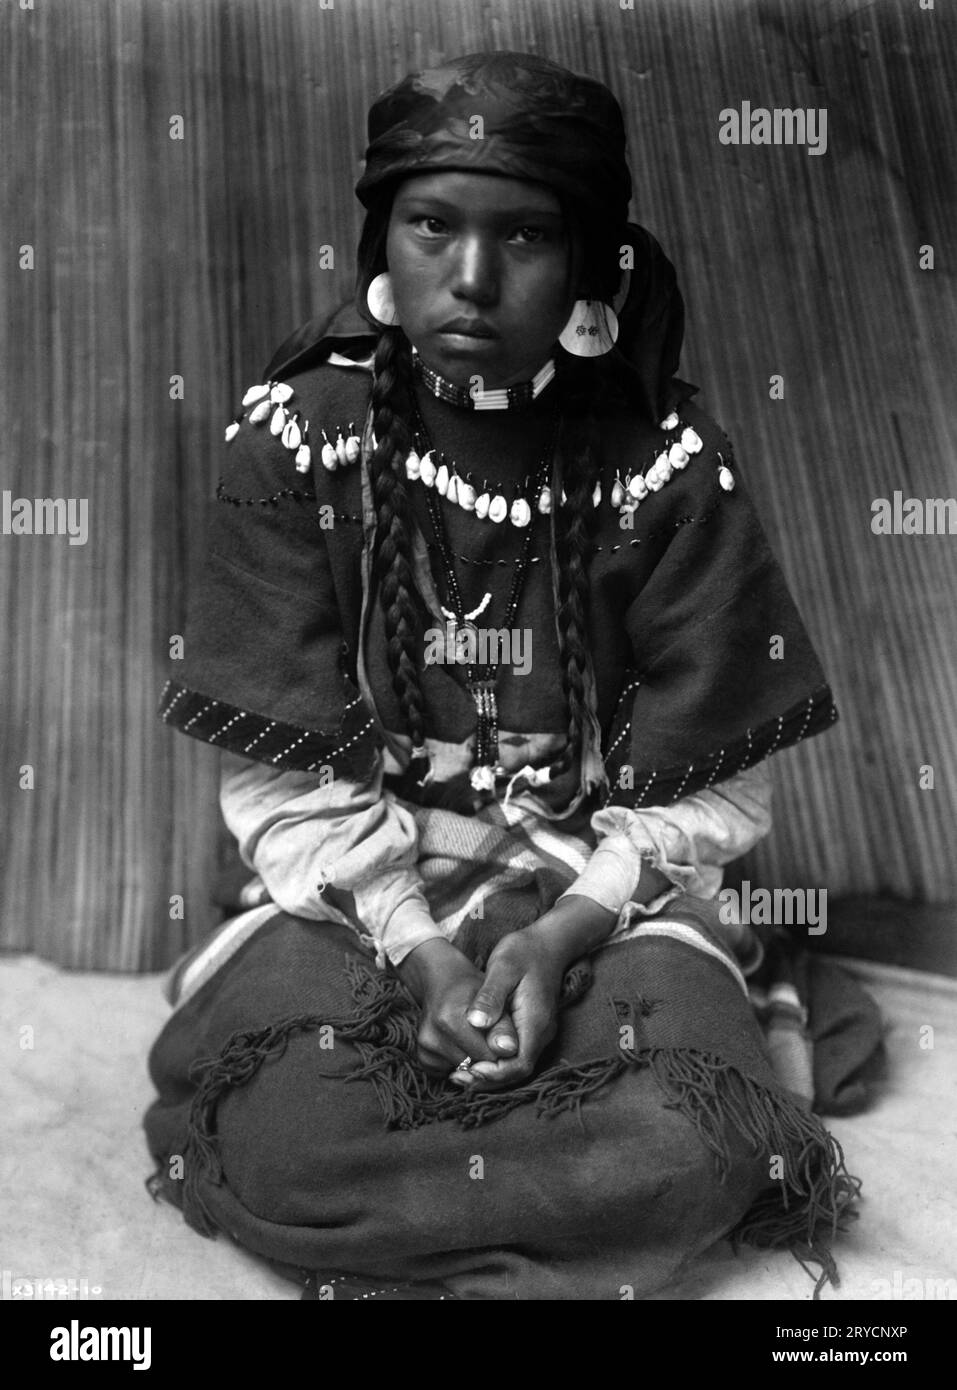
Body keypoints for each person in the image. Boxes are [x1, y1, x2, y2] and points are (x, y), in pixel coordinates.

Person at [144, 51, 862, 1301]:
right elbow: (284, 779)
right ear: (385, 236)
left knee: (692, 1132)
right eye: (433, 225)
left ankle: (429, 1227)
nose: (471, 278)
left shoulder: (665, 465)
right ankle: (529, 1225)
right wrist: (426, 954)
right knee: (291, 1129)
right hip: (362, 897)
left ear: (590, 265)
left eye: (525, 235)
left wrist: (563, 931)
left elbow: (721, 787)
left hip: (603, 885)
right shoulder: (300, 436)